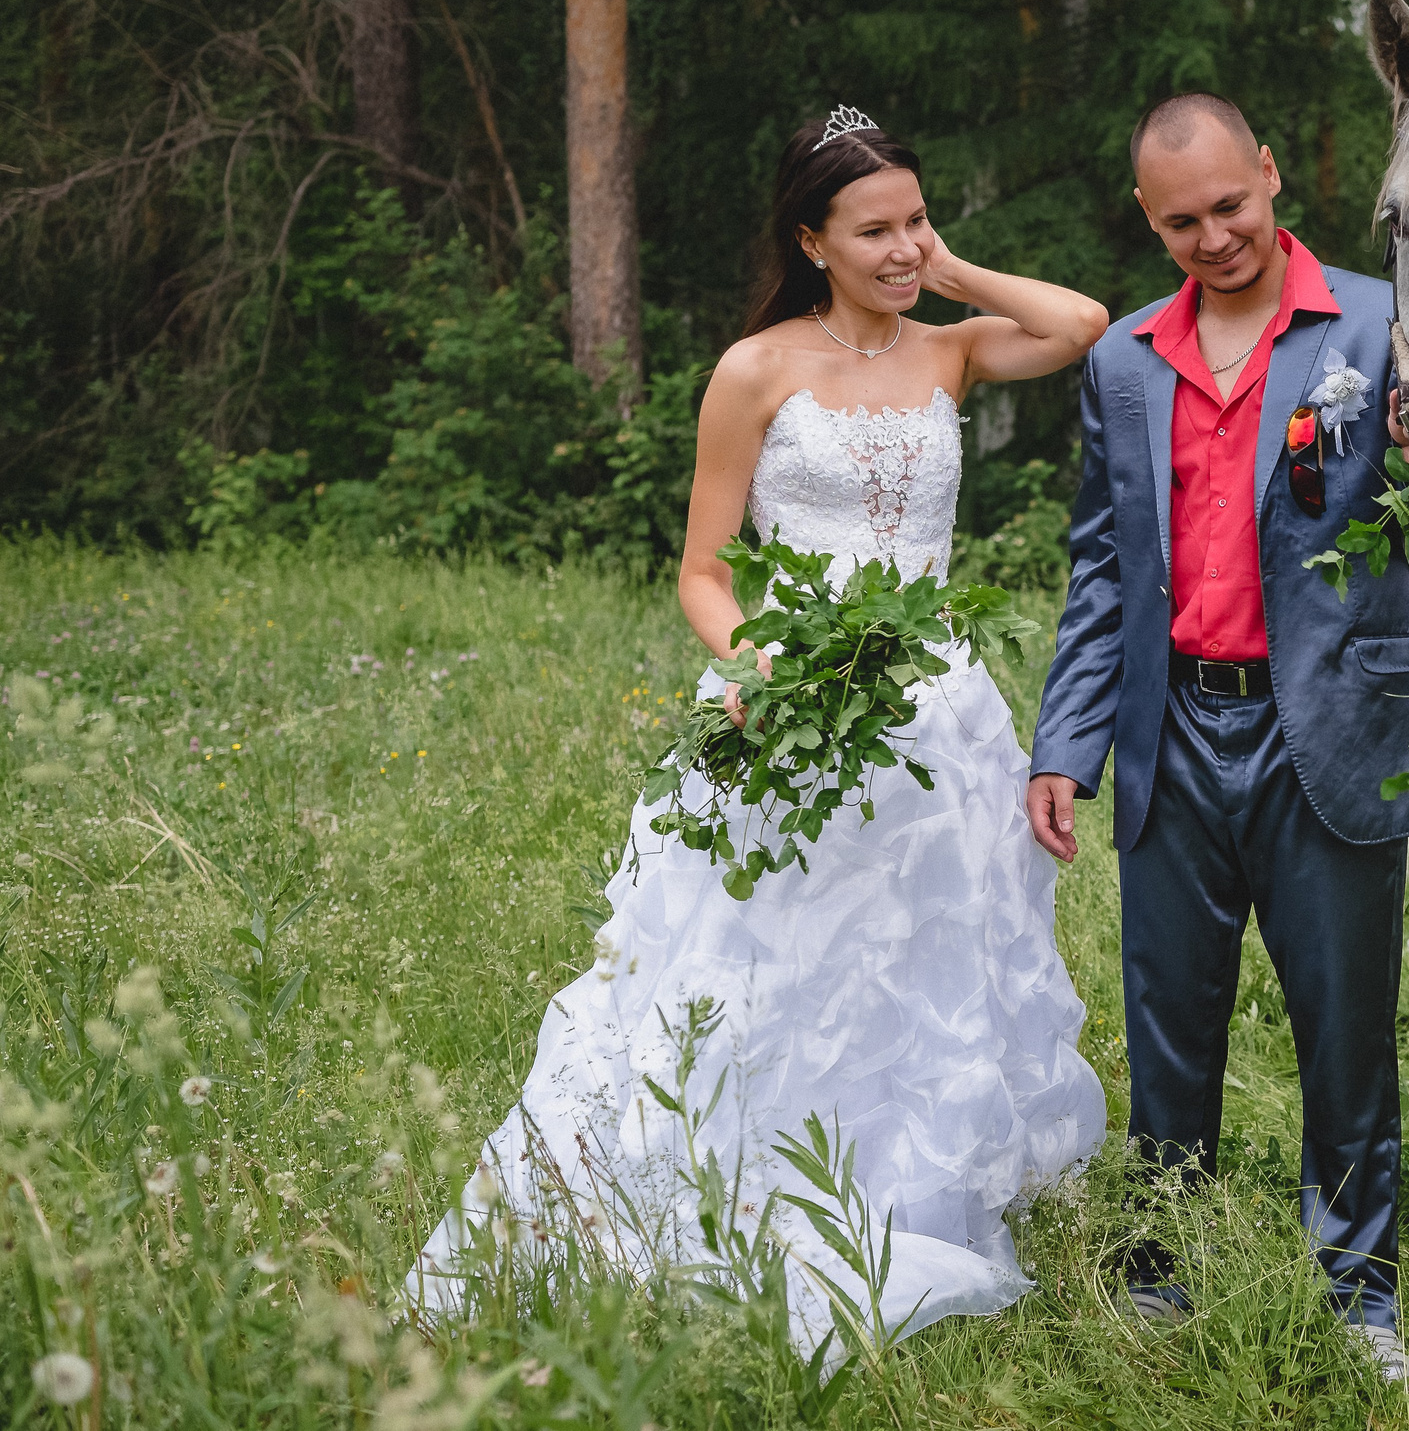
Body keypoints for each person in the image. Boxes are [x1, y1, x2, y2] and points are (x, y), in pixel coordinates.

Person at [411, 107, 1111, 1346]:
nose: (900, 247)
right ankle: (740, 1184)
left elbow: (1079, 325)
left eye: (912, 220)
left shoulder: (948, 352)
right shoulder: (756, 370)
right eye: (873, 230)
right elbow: (701, 568)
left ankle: (911, 1186)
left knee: (925, 958)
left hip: (938, 713)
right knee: (772, 961)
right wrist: (753, 661)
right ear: (810, 238)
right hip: (791, 702)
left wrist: (943, 271)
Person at [1026, 93, 1409, 1385]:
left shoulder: (1383, 321)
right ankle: (1160, 1271)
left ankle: (1360, 1292)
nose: (1214, 237)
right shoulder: (1123, 361)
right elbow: (1103, 569)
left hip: (1331, 724)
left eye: (1231, 204)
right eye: (1181, 222)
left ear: (1270, 176)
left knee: (1345, 1028)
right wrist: (1067, 741)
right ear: (1149, 224)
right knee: (1168, 1022)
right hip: (1175, 733)